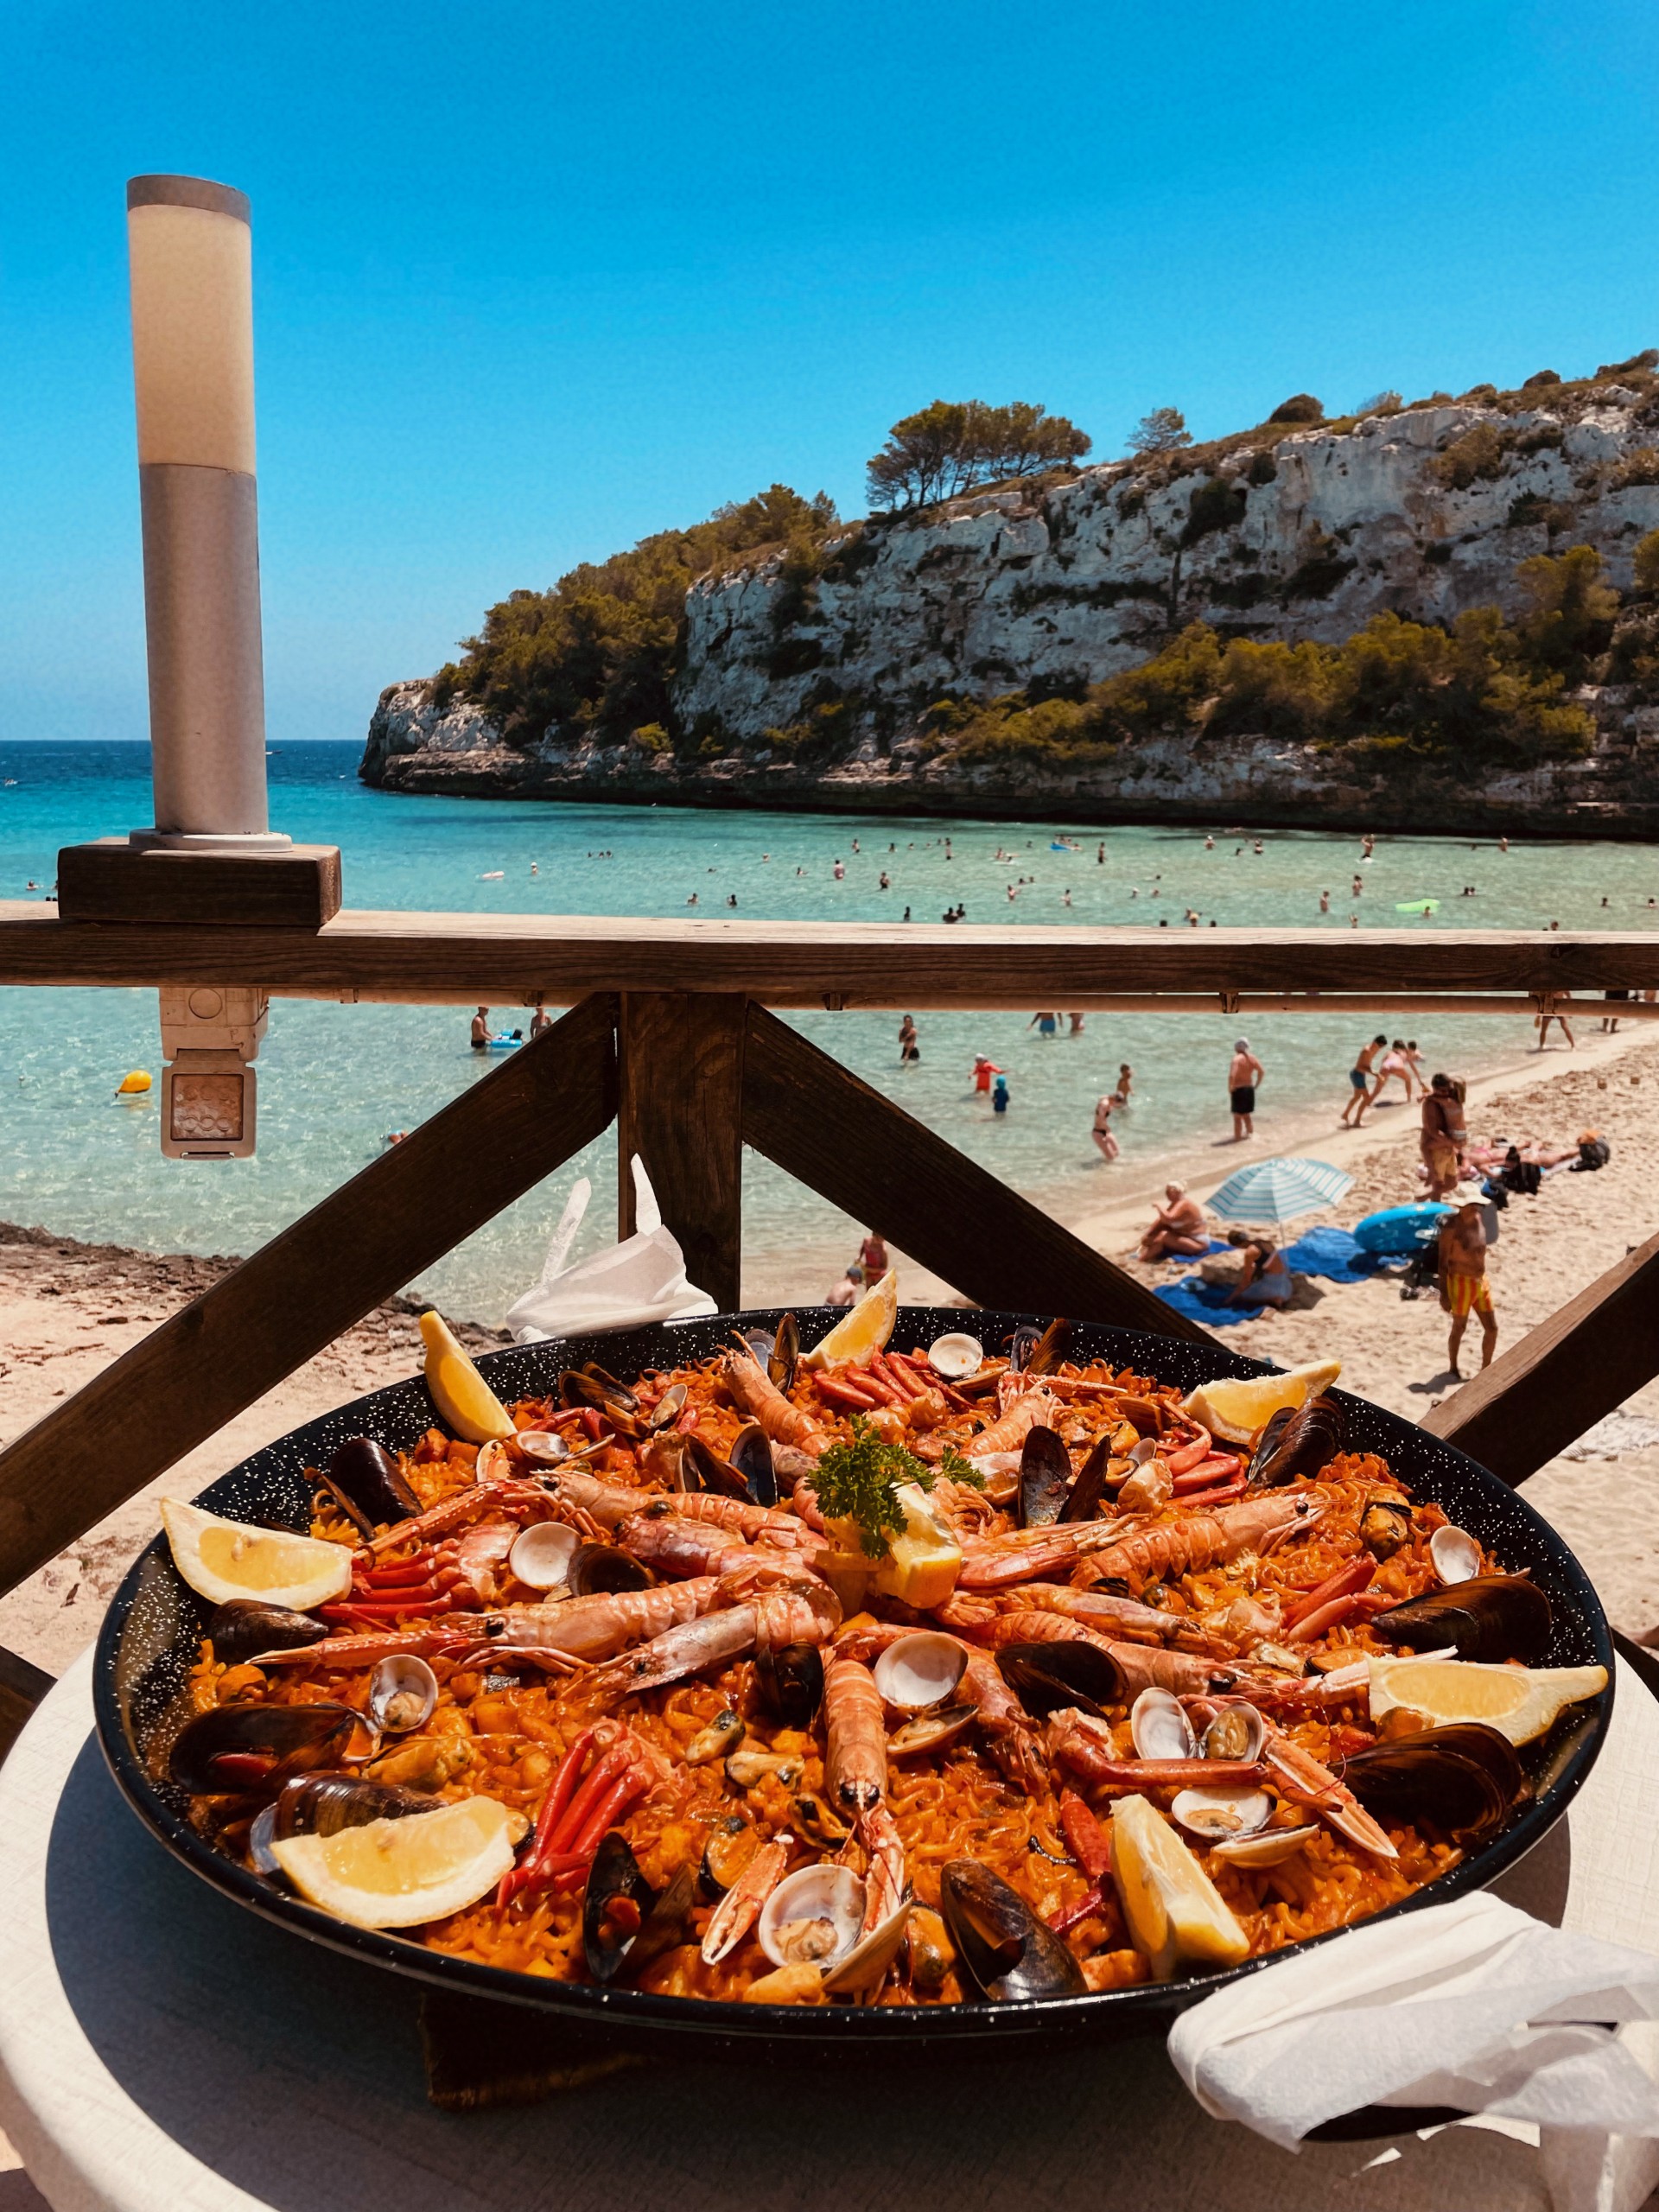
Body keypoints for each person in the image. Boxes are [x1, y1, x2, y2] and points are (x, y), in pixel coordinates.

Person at [1439, 1185, 1497, 1375]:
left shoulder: (1479, 1220)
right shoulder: (1451, 1229)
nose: (1476, 1208)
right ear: (1462, 1206)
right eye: (1472, 1205)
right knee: (1459, 1327)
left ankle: (1486, 1368)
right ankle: (1453, 1367)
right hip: (1460, 1283)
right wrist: (1444, 1294)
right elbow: (1442, 1263)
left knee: (1492, 1328)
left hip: (1481, 1281)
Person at [1421, 1072, 1467, 1197]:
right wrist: (1452, 1143)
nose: (1446, 1093)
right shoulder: (1432, 1104)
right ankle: (1430, 1172)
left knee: (1452, 1183)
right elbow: (1432, 1130)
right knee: (1438, 1184)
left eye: (1448, 1090)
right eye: (1442, 1091)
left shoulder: (1447, 1100)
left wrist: (1427, 1095)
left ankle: (1428, 1195)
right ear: (1435, 1088)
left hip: (1448, 1143)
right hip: (1443, 1144)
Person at [1139, 1182, 1208, 1262]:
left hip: (1198, 1243)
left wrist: (1158, 1206)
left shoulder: (1184, 1204)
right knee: (1155, 1234)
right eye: (1166, 1192)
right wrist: (1149, 1234)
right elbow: (1161, 1221)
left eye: (1170, 1192)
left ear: (1178, 1192)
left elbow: (1169, 1217)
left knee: (1163, 1236)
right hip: (1186, 1237)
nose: (1167, 1194)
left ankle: (1141, 1259)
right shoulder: (1175, 1204)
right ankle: (1148, 1253)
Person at [1227, 1230, 1293, 1307]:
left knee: (1242, 1296)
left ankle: (1274, 1299)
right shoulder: (1263, 1242)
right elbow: (1267, 1261)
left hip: (1276, 1288)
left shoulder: (1250, 1252)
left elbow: (1246, 1281)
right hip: (1286, 1284)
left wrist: (1230, 1299)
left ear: (1238, 1245)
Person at [1341, 1034, 1389, 1127]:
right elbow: (1360, 1066)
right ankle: (1357, 1121)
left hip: (1360, 1075)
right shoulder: (1366, 1051)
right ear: (1375, 1043)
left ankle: (1345, 1115)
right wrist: (1376, 1074)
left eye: (1382, 1047)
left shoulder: (1373, 1050)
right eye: (1380, 1046)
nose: (1380, 1049)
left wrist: (1376, 1074)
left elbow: (1366, 1066)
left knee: (1357, 1097)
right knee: (1367, 1098)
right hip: (1357, 1075)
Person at [1228, 1037, 1263, 1141]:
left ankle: (1237, 1139)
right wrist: (1256, 1085)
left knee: (1237, 1118)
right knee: (1247, 1115)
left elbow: (1231, 1076)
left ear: (1235, 1048)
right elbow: (1261, 1072)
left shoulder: (1236, 1059)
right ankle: (1250, 1135)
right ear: (1247, 1047)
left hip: (1239, 1090)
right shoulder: (1252, 1058)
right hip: (1249, 1089)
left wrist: (1230, 1088)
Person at [1090, 1094, 1120, 1162]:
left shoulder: (1108, 1102)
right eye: (1115, 1102)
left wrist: (1108, 1097)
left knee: (1116, 1152)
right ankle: (1106, 1170)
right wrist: (1107, 1128)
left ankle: (1103, 1164)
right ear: (1113, 1099)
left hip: (1106, 1131)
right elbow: (1101, 1118)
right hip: (1098, 1132)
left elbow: (1101, 1097)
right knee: (1111, 1157)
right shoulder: (1103, 1105)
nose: (1115, 1105)